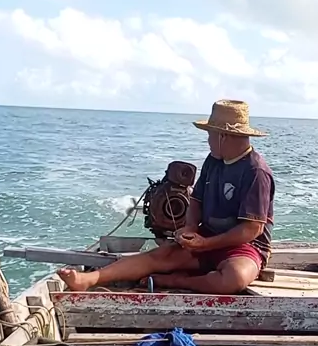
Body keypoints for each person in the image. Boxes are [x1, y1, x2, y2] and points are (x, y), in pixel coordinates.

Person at [58, 99, 275, 294]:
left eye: (210, 135)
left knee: (234, 278)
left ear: (223, 136)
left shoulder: (255, 171)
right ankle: (89, 279)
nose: (208, 141)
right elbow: (196, 200)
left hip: (245, 247)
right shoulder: (213, 160)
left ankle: (177, 281)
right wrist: (191, 228)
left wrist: (206, 244)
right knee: (159, 256)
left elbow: (251, 229)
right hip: (207, 238)